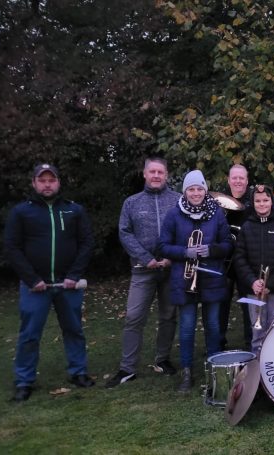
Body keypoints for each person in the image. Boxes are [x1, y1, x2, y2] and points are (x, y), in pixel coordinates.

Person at [4, 163, 95, 402]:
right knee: (30, 334)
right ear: (34, 183)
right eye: (42, 180)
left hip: (68, 285)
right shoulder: (21, 212)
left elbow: (87, 243)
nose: (47, 184)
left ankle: (78, 372)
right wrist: (31, 278)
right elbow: (12, 248)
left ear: (58, 182)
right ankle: (24, 381)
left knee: (74, 330)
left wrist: (74, 275)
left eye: (51, 180)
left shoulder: (74, 210)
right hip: (35, 287)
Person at [105, 157, 180, 388]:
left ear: (166, 175)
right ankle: (127, 368)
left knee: (168, 316)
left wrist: (172, 256)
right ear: (145, 174)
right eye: (152, 172)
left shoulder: (178, 200)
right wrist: (146, 258)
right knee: (134, 317)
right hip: (142, 270)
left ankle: (162, 359)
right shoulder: (132, 202)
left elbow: (185, 230)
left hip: (170, 268)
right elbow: (125, 233)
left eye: (160, 172)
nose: (156, 176)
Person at [158, 170, 233, 392]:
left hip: (211, 276)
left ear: (205, 190)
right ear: (185, 191)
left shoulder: (216, 213)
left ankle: (214, 369)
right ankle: (187, 371)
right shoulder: (174, 214)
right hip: (185, 278)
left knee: (213, 325)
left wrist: (212, 249)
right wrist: (184, 252)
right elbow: (162, 246)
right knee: (187, 327)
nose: (196, 193)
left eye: (200, 189)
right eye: (191, 189)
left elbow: (228, 244)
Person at [234, 185, 274, 353]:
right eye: (258, 201)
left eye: (265, 200)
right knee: (257, 331)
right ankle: (257, 364)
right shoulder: (247, 227)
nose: (262, 204)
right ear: (253, 203)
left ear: (271, 202)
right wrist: (252, 281)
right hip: (254, 289)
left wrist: (271, 284)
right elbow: (239, 258)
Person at [217, 164, 252, 350]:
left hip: (246, 263)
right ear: (229, 180)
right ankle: (218, 344)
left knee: (248, 304)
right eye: (234, 178)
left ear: (247, 181)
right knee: (221, 304)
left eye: (241, 178)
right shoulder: (218, 202)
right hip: (225, 263)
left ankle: (251, 345)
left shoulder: (253, 203)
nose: (238, 181)